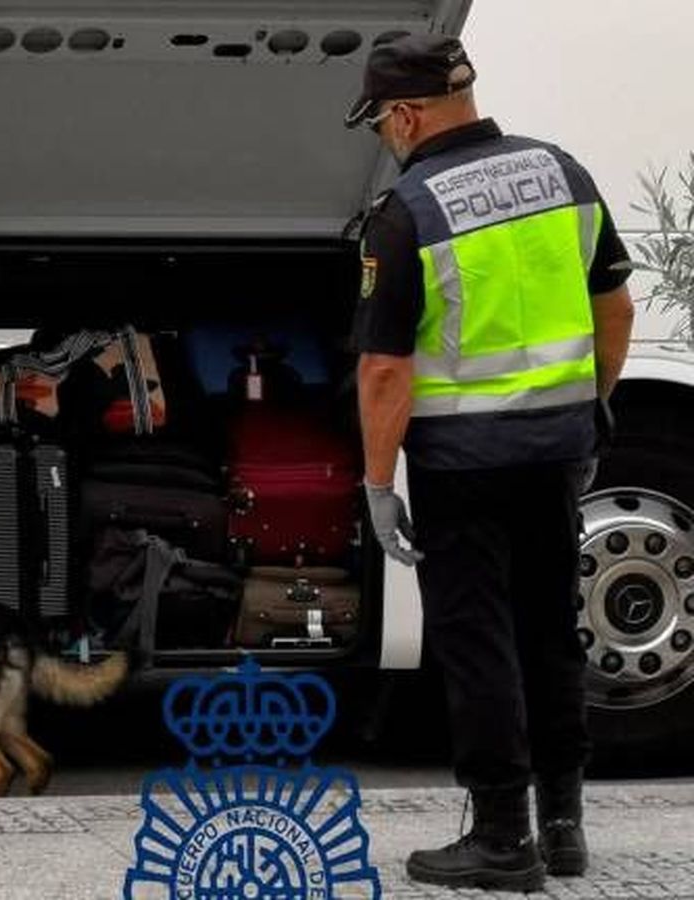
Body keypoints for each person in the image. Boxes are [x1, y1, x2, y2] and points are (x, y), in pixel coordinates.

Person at [345, 34, 635, 891]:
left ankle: (503, 838)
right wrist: (591, 409)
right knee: (551, 630)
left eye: (380, 125)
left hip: (464, 465)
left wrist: (375, 485)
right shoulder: (564, 175)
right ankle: (566, 826)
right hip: (555, 455)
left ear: (403, 113)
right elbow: (614, 309)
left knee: (478, 642)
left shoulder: (408, 212)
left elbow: (387, 369)